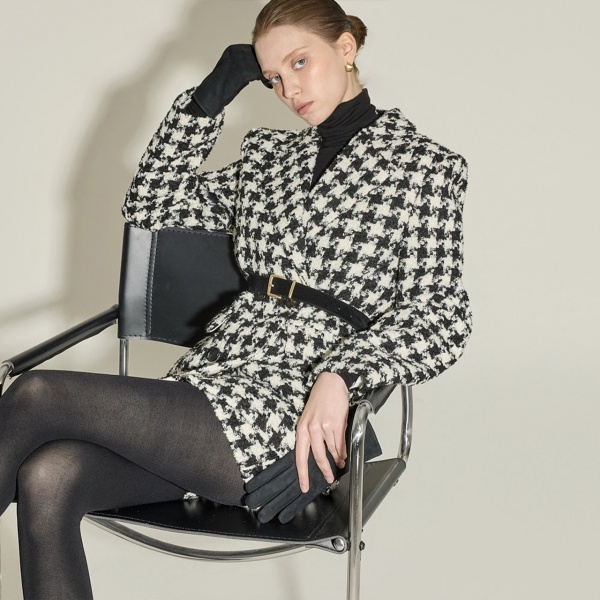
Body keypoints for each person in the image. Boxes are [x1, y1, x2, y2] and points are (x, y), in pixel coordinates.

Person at [0, 0, 471, 597]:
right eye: (273, 76)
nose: (289, 89)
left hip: (294, 406)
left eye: (299, 63)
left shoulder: (424, 168)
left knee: (38, 392)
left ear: (346, 48)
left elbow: (442, 315)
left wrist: (342, 375)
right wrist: (208, 98)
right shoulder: (268, 159)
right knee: (49, 475)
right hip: (213, 381)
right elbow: (151, 205)